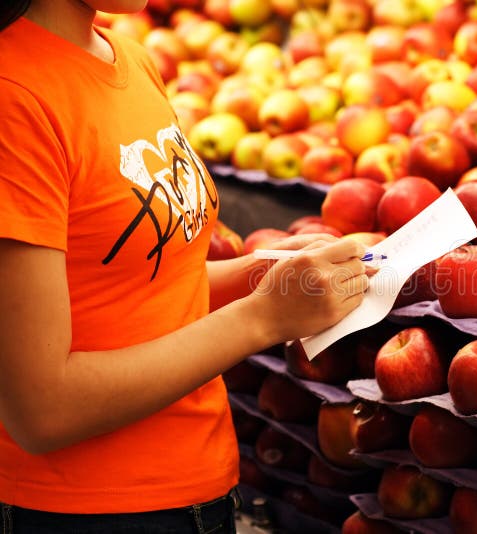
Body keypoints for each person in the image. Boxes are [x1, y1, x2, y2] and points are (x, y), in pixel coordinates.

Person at [0, 1, 371, 532]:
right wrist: (262, 317)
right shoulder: (14, 98)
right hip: (84, 512)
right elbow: (42, 409)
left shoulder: (129, 59)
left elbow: (143, 288)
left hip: (201, 490)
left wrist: (258, 276)